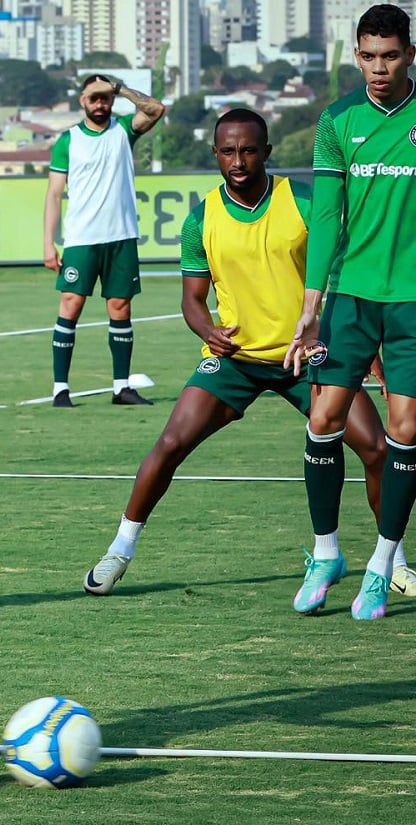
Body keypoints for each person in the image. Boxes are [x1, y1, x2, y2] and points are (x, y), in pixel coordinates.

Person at [82, 108, 414, 597]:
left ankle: (394, 563)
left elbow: (342, 279)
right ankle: (119, 550)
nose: (239, 160)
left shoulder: (302, 202)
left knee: (377, 448)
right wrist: (208, 330)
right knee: (171, 443)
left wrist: (356, 344)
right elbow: (192, 299)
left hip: (307, 358)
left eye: (249, 149)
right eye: (229, 151)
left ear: (267, 152)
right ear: (215, 154)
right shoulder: (201, 220)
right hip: (236, 360)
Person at [287, 3, 416, 620]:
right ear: (356, 55)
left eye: (390, 55)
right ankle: (326, 551)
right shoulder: (338, 120)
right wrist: (311, 306)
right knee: (323, 417)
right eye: (368, 56)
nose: (378, 68)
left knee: (407, 431)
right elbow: (327, 218)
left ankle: (383, 562)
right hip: (351, 297)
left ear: (410, 55)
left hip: (413, 301)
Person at [43, 74, 166, 408]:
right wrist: (48, 243)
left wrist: (120, 88)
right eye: (93, 97)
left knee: (120, 307)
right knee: (71, 304)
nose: (100, 104)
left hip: (121, 235)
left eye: (105, 98)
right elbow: (54, 194)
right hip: (82, 238)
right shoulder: (67, 140)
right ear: (81, 99)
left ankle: (121, 387)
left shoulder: (123, 130)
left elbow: (156, 109)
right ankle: (60, 389)